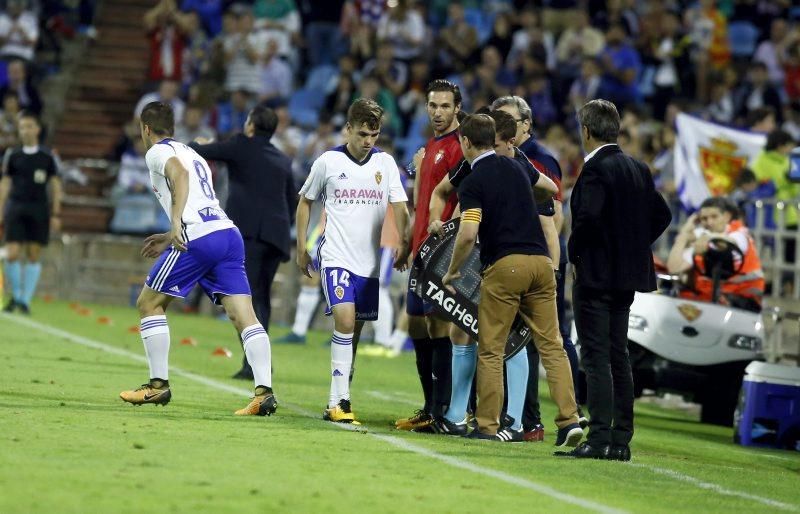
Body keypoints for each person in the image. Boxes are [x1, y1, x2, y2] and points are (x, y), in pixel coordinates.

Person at [119, 102, 276, 416]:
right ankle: (264, 392)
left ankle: (157, 385)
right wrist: (170, 233)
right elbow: (195, 192)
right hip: (227, 233)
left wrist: (176, 224)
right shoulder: (193, 152)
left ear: (145, 128)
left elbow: (179, 175)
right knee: (245, 317)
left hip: (198, 237)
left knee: (149, 304)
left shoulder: (157, 152)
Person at [441, 113, 582, 446]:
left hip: (506, 266)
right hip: (541, 265)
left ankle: (487, 425)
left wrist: (453, 269)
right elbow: (549, 190)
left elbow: (468, 232)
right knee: (553, 348)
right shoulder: (520, 167)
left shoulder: (472, 182)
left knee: (491, 349)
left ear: (465, 142)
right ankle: (569, 420)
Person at [562, 99, 672, 460]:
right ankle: (619, 441)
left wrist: (575, 254)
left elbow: (588, 219)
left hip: (595, 276)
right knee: (618, 355)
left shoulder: (596, 170)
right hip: (625, 277)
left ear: (587, 131)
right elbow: (663, 213)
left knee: (595, 357)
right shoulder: (637, 168)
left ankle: (597, 438)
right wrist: (632, 244)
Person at [296, 98, 410, 424]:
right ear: (348, 129)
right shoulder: (327, 162)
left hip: (369, 263)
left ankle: (338, 396)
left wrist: (404, 241)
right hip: (335, 255)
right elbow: (305, 202)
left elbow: (401, 207)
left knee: (354, 334)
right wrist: (302, 247)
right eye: (362, 134)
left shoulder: (385, 164)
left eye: (373, 135)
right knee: (344, 321)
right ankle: (340, 402)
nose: (367, 141)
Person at [492, 95, 584, 442]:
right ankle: (556, 418)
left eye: (508, 120)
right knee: (541, 342)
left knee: (540, 341)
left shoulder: (539, 159)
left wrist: (554, 268)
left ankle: (525, 420)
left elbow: (553, 215)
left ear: (526, 125)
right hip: (535, 259)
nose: (500, 126)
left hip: (537, 259)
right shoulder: (508, 156)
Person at [190, 103, 295, 379]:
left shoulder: (241, 145)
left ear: (250, 126)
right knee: (262, 298)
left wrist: (198, 142)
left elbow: (201, 151)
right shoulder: (283, 159)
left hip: (249, 234)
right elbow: (292, 201)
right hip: (276, 236)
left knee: (245, 299)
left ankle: (254, 365)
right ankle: (259, 362)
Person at [394, 80, 463, 432]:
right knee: (416, 324)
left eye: (444, 106)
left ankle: (442, 411)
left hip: (442, 252)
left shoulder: (460, 147)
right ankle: (429, 405)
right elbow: (420, 202)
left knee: (439, 328)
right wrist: (407, 243)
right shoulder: (429, 146)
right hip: (421, 249)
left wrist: (448, 241)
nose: (437, 112)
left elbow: (464, 199)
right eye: (432, 106)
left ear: (457, 109)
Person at [0, 112, 61, 314]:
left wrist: (55, 213)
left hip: (39, 208)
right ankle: (17, 297)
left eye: (29, 126)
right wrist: (1, 208)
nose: (25, 130)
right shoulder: (12, 155)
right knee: (12, 254)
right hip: (16, 207)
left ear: (37, 129)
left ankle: (25, 300)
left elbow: (55, 184)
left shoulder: (47, 156)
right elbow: (6, 182)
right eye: (22, 127)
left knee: (33, 255)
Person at [666, 197, 765, 313]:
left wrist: (708, 239)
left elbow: (729, 243)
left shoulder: (739, 233)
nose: (709, 222)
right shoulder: (702, 238)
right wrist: (684, 233)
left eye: (714, 216)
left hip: (743, 300)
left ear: (727, 216)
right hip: (711, 299)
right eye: (704, 218)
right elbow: (674, 268)